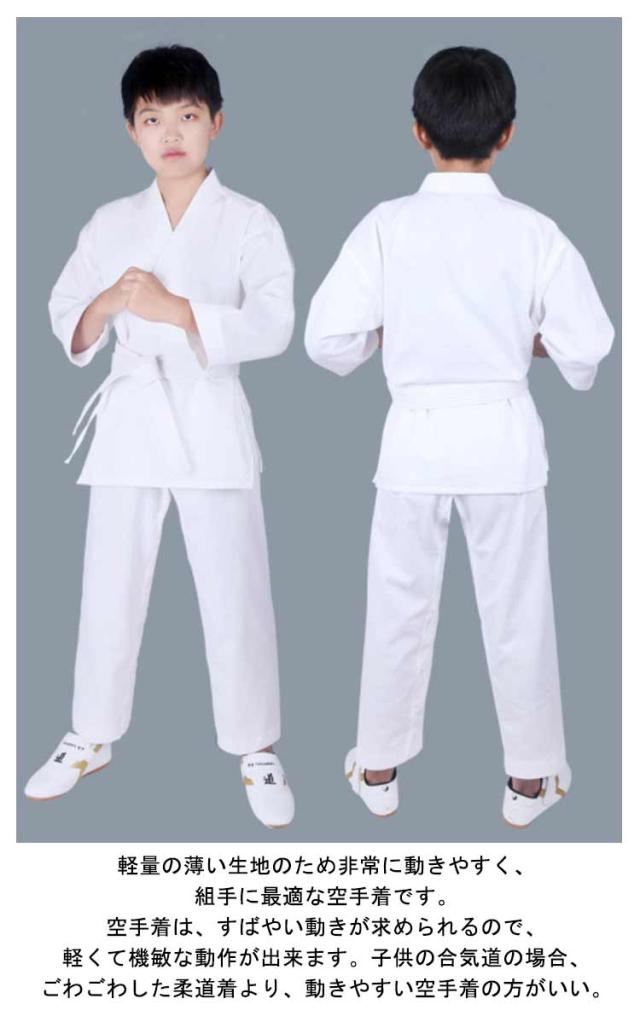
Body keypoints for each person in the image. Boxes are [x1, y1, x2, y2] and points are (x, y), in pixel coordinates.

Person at [304, 46, 614, 828]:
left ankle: (377, 766)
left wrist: (393, 335)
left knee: (397, 604)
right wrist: (523, 342)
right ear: (507, 134)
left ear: (419, 132)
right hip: (503, 439)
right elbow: (588, 346)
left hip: (413, 441)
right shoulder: (534, 232)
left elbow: (327, 341)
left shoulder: (386, 226)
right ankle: (531, 780)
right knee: (518, 610)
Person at [24, 44, 295, 830]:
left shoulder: (249, 221)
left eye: (187, 115)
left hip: (210, 411)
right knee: (109, 583)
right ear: (131, 130)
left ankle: (256, 746)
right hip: (132, 416)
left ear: (216, 123)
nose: (170, 133)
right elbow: (65, 315)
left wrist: (177, 311)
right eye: (152, 118)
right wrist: (109, 303)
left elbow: (275, 323)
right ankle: (90, 733)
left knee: (235, 586)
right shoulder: (111, 222)